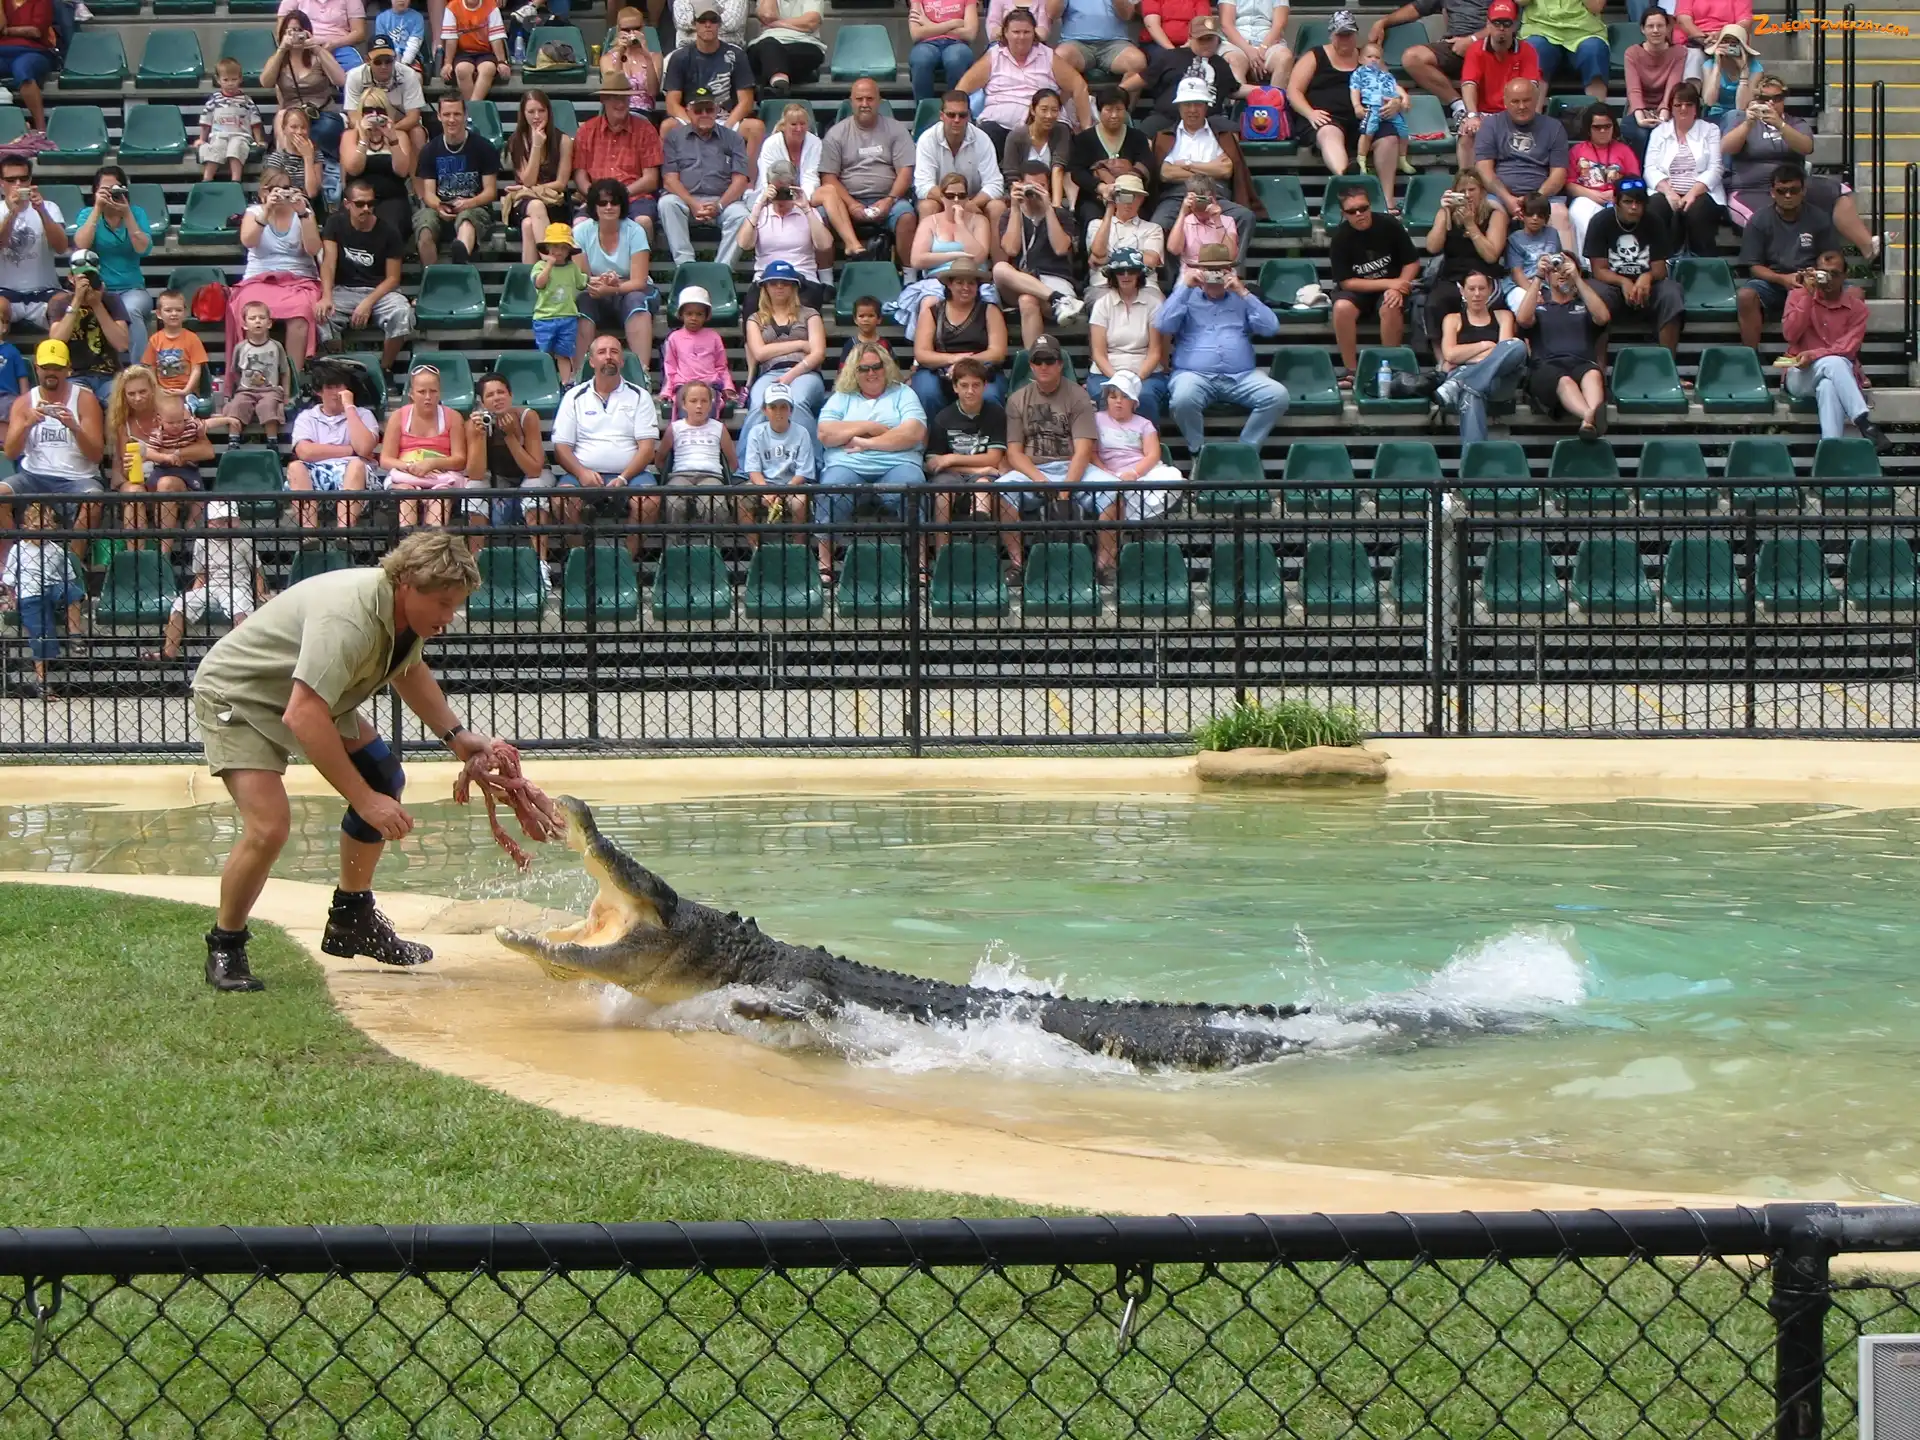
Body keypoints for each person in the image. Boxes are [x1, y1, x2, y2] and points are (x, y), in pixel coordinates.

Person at [190, 530, 497, 990]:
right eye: (443, 604)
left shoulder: (403, 613)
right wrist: (365, 802)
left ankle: (352, 919)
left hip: (304, 693)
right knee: (269, 827)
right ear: (408, 584)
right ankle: (226, 945)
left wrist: (456, 736)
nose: (448, 617)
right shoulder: (349, 617)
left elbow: (408, 669)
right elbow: (303, 714)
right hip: (240, 695)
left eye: (455, 605)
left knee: (383, 775)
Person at [1154, 242, 1288, 456]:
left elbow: (1271, 328)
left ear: (1229, 271)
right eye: (1208, 270)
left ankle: (1246, 450)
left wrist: (1243, 292)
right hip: (1195, 375)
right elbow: (1162, 325)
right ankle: (1198, 450)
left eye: (1219, 270)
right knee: (1182, 399)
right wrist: (1185, 287)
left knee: (1278, 395)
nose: (1213, 275)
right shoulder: (1186, 296)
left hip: (1241, 376)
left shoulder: (1242, 297)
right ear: (1199, 271)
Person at [1722, 77, 1878, 257]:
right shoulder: (1742, 121)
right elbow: (1726, 148)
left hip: (1794, 184)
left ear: (1784, 99)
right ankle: (1783, 265)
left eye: (1777, 98)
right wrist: (1748, 124)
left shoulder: (1795, 123)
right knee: (1763, 220)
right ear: (1756, 99)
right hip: (1751, 189)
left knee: (1839, 192)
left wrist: (1780, 125)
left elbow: (1806, 147)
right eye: (1764, 98)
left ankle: (1868, 246)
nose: (1771, 103)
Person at [814, 343, 927, 582]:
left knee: (913, 487)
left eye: (876, 367)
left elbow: (913, 433)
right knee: (830, 488)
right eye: (863, 368)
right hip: (848, 464)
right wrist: (870, 426)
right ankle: (825, 565)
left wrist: (865, 442)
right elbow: (825, 433)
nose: (871, 373)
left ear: (886, 367)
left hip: (898, 463)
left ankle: (920, 565)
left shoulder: (903, 393)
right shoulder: (842, 396)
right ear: (854, 371)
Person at [994, 332, 1101, 578]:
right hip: (1034, 469)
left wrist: (1064, 491)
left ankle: (1105, 566)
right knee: (1000, 493)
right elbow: (1014, 453)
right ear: (1031, 365)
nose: (1044, 366)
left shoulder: (1079, 395)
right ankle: (1017, 564)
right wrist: (1040, 480)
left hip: (1072, 465)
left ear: (1060, 364)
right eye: (1038, 361)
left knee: (1114, 494)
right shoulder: (1017, 399)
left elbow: (1083, 450)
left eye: (1049, 360)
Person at [0, 342, 106, 551]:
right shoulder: (24, 402)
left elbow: (96, 455)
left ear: (68, 368)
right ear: (36, 368)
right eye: (46, 367)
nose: (51, 372)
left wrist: (74, 427)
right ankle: (15, 557)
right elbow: (11, 452)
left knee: (94, 499)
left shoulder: (85, 400)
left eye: (57, 367)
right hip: (34, 475)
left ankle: (72, 563)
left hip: (78, 478)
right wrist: (27, 424)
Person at [551, 333, 662, 532]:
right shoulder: (573, 397)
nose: (609, 356)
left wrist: (624, 478)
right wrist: (581, 473)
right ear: (591, 361)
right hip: (582, 474)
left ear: (622, 360)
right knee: (561, 502)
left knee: (649, 502)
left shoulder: (640, 396)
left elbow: (647, 449)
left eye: (614, 352)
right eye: (602, 352)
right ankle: (580, 551)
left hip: (631, 476)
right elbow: (561, 448)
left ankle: (629, 552)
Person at [1781, 246, 1886, 453]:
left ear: (1845, 276)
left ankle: (1831, 452)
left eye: (1834, 274)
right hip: (1800, 373)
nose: (1828, 280)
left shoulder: (1857, 308)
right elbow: (1790, 335)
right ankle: (1864, 422)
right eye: (1823, 273)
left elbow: (1848, 348)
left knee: (1828, 385)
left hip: (1836, 371)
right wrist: (1808, 295)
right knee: (1834, 363)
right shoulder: (1797, 296)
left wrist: (1814, 354)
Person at [147, 499, 267, 661]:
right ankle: (169, 653)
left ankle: (238, 656)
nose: (226, 525)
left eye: (230, 520)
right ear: (210, 523)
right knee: (181, 603)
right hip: (211, 587)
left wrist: (260, 593)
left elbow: (257, 570)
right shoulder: (202, 542)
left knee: (241, 609)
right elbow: (201, 574)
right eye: (221, 520)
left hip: (237, 586)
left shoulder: (244, 541)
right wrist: (195, 595)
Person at [1149, 82, 1256, 260]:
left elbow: (1226, 170)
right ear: (1179, 107)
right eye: (1187, 104)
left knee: (1245, 217)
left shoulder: (1222, 135)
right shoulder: (1164, 137)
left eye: (1198, 104)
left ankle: (1231, 268)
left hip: (1215, 195)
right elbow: (1166, 173)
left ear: (1206, 106)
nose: (1192, 110)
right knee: (1158, 225)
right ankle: (1172, 275)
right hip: (1176, 197)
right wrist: (1210, 167)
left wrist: (1187, 165)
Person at [1736, 165, 1837, 351]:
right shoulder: (1759, 220)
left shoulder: (1819, 217)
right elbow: (1754, 265)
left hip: (1812, 280)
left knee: (1854, 293)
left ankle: (1842, 354)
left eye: (1794, 190)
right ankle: (1750, 356)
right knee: (1746, 296)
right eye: (1782, 191)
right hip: (1773, 283)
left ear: (1803, 191)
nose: (1788, 196)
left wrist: (1816, 274)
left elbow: (1831, 257)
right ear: (1772, 193)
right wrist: (1782, 279)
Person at [230, 169, 323, 370]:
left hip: (299, 278)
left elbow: (313, 249)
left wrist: (303, 213)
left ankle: (294, 375)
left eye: (286, 188)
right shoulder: (254, 212)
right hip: (259, 277)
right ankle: (254, 373)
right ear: (264, 192)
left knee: (301, 311)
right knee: (250, 309)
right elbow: (248, 241)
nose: (281, 193)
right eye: (275, 189)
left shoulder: (303, 212)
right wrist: (267, 211)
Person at [818, 78, 918, 264]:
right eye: (859, 99)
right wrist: (851, 204)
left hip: (889, 199)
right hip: (846, 202)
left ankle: (910, 274)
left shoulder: (897, 130)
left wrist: (889, 200)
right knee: (820, 217)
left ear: (879, 101)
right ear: (851, 102)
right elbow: (828, 178)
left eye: (870, 99)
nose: (865, 104)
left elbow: (905, 172)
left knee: (906, 216)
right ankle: (825, 277)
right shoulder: (836, 134)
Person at [960, 8, 1090, 151]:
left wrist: (1087, 131)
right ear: (1005, 33)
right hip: (998, 125)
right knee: (987, 133)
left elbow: (1079, 85)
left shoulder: (1048, 56)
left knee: (1061, 131)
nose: (1021, 37)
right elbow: (962, 89)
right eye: (1016, 32)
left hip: (1044, 123)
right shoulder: (993, 56)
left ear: (1034, 33)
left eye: (1026, 32)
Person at [320, 178, 413, 373]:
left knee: (402, 312)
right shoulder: (335, 223)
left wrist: (367, 303)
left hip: (379, 292)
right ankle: (342, 369)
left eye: (371, 203)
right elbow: (328, 263)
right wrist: (326, 296)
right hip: (344, 289)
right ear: (347, 204)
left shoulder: (389, 231)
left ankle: (384, 369)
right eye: (360, 204)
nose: (366, 208)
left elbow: (393, 278)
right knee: (321, 315)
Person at [1583, 175, 1682, 357]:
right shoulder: (1600, 222)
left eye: (1639, 202)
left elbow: (1660, 269)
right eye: (1628, 202)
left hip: (1648, 288)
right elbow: (1598, 270)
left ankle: (1668, 364)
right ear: (1615, 201)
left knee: (1672, 292)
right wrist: (1623, 282)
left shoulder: (1655, 222)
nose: (1634, 207)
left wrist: (1647, 277)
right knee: (1595, 294)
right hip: (1612, 287)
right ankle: (1598, 367)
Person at [1516, 250, 1611, 438]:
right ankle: (1591, 416)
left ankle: (1588, 423)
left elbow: (1603, 317)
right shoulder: (1540, 307)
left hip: (1582, 364)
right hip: (1547, 368)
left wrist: (1576, 278)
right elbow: (1523, 319)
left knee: (1593, 374)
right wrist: (1538, 277)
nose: (1560, 273)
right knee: (1564, 380)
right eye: (1555, 270)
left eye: (1564, 269)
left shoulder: (1585, 306)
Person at [739, 258, 827, 455]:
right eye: (773, 283)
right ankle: (744, 465)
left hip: (806, 372)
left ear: (794, 287)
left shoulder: (810, 314)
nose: (779, 287)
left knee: (798, 401)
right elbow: (759, 353)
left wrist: (792, 374)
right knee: (758, 405)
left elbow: (818, 353)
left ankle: (814, 461)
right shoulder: (755, 319)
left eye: (785, 283)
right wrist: (800, 344)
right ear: (765, 287)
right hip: (770, 373)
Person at [1329, 187, 1421, 376]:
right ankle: (1351, 371)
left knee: (1391, 305)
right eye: (1352, 211)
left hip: (1391, 286)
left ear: (1370, 206)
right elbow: (1346, 282)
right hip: (1359, 289)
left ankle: (1390, 368)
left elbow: (1412, 262)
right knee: (1341, 308)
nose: (1359, 214)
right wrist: (1390, 284)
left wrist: (1399, 286)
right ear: (1343, 214)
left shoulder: (1389, 225)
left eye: (1363, 208)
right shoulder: (1340, 238)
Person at [1476, 78, 1576, 251]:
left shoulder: (1554, 127)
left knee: (1560, 214)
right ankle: (1493, 265)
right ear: (1505, 102)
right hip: (1499, 195)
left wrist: (1534, 200)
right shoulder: (1491, 125)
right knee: (1493, 213)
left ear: (1536, 100)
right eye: (1515, 101)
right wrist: (1508, 199)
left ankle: (1568, 264)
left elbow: (1559, 174)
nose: (1521, 106)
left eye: (1526, 100)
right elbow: (1484, 169)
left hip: (1543, 195)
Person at [658, 87, 752, 268]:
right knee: (667, 203)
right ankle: (686, 266)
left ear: (717, 110)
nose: (704, 114)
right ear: (688, 111)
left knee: (742, 216)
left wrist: (719, 205)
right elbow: (669, 179)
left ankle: (721, 270)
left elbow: (740, 180)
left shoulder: (733, 138)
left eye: (709, 110)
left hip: (722, 201)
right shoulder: (674, 138)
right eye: (698, 110)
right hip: (686, 200)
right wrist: (693, 204)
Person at [1288, 11, 1383, 188]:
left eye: (1349, 35)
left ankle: (1386, 195)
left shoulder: (1366, 57)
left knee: (1388, 136)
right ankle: (1346, 177)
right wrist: (1310, 113)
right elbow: (1294, 91)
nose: (1345, 39)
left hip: (1362, 118)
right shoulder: (1315, 56)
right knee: (1329, 133)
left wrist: (1395, 102)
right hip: (1323, 117)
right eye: (1340, 35)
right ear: (1332, 35)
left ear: (1356, 35)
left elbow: (1388, 86)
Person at [923, 356, 1006, 556]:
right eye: (964, 385)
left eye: (976, 385)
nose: (970, 391)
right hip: (952, 477)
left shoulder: (995, 414)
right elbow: (933, 463)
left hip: (981, 477)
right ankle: (942, 552)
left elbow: (994, 458)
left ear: (985, 386)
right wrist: (978, 467)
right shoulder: (943, 418)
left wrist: (952, 459)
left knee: (983, 485)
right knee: (943, 492)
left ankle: (978, 534)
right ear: (955, 387)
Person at [1371, 0, 1493, 136]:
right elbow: (1416, 8)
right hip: (1454, 46)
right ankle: (1460, 107)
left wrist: (1473, 40)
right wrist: (1383, 22)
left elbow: (1505, 23)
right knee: (1412, 57)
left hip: (1490, 45)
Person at [661, 3, 765, 163]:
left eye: (713, 20)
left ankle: (748, 176)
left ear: (719, 24)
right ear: (694, 24)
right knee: (667, 127)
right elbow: (672, 104)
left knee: (756, 128)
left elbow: (746, 102)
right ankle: (670, 176)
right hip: (692, 118)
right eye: (702, 21)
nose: (708, 25)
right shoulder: (680, 57)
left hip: (726, 118)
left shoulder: (736, 54)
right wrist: (692, 125)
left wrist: (726, 128)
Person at [993, 159, 1081, 347]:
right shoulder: (1009, 214)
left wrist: (1048, 208)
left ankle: (1035, 358)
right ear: (1020, 185)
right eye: (1030, 186)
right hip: (1021, 281)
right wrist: (1016, 207)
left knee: (1027, 301)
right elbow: (1011, 249)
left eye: (1041, 186)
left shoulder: (1061, 215)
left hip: (1054, 278)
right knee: (1000, 268)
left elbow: (1060, 248)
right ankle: (1058, 299)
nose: (1034, 191)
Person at [573, 178, 660, 367]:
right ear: (594, 206)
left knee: (636, 300)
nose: (609, 207)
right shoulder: (581, 232)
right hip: (596, 289)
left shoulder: (635, 231)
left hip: (631, 289)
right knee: (582, 302)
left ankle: (642, 371)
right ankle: (578, 373)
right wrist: (602, 281)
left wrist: (614, 288)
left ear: (622, 205)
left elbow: (639, 281)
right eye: (602, 203)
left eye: (614, 202)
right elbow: (582, 278)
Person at [1433, 269, 1527, 442]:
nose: (1477, 294)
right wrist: (1486, 345)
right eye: (1471, 289)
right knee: (1471, 392)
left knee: (1517, 346)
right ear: (1462, 291)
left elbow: (1504, 353)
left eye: (1482, 288)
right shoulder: (1452, 319)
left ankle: (1460, 381)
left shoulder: (1503, 316)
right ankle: (1474, 454)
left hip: (1497, 381)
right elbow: (1450, 354)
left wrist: (1465, 357)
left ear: (1490, 290)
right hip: (1470, 381)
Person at [0, 502, 83, 698]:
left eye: (45, 527)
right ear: (26, 527)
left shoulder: (56, 550)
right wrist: (12, 597)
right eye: (36, 527)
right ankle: (41, 681)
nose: (41, 532)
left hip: (52, 588)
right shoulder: (19, 550)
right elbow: (9, 579)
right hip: (30, 594)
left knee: (73, 591)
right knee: (41, 636)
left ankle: (75, 634)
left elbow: (69, 576)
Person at [72, 168, 155, 363]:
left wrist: (126, 214)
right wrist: (97, 209)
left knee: (130, 310)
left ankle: (140, 369)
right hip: (99, 290)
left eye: (115, 188)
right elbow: (81, 245)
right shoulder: (87, 214)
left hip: (132, 289)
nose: (110, 193)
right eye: (105, 189)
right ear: (95, 191)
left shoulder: (136, 213)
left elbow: (143, 248)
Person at [286, 361, 380, 529]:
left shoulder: (364, 414)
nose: (337, 393)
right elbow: (305, 452)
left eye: (340, 387)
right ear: (319, 392)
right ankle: (309, 534)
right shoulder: (307, 417)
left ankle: (344, 533)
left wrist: (349, 407)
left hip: (357, 480)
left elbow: (364, 448)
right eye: (330, 387)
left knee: (357, 464)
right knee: (295, 467)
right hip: (316, 476)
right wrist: (351, 450)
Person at [911, 255, 1009, 415]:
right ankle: (935, 431)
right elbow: (922, 353)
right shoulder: (932, 311)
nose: (966, 287)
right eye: (959, 282)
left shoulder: (990, 310)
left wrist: (965, 363)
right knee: (927, 392)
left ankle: (989, 431)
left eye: (971, 283)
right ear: (949, 284)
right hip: (938, 369)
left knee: (990, 395)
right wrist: (954, 360)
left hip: (981, 368)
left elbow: (997, 353)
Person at [1085, 369, 1177, 538]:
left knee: (1170, 478)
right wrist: (1104, 471)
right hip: (1105, 473)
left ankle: (1148, 539)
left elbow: (1152, 455)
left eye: (1125, 397)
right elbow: (1091, 453)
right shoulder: (1095, 420)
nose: (1118, 402)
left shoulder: (1145, 424)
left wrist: (1134, 473)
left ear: (1134, 402)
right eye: (1113, 397)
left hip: (1139, 472)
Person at [1452, 0, 1542, 172]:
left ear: (1514, 25)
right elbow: (1469, 83)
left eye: (1506, 23)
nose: (1501, 28)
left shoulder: (1527, 50)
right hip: (1484, 112)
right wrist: (1472, 115)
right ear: (1488, 24)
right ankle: (1467, 180)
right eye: (1497, 23)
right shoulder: (1476, 49)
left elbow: (1532, 87)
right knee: (1467, 133)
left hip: (1514, 111)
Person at [465, 371, 549, 549]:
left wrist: (510, 436)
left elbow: (534, 470)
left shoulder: (527, 417)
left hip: (533, 474)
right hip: (498, 476)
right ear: (482, 402)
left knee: (534, 487)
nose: (497, 398)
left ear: (511, 395)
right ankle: (475, 558)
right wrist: (479, 437)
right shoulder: (475, 423)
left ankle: (540, 560)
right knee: (473, 488)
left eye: (501, 392)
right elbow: (475, 474)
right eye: (490, 395)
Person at [382, 363, 470, 528]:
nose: (428, 397)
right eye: (422, 392)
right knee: (406, 494)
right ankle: (407, 539)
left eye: (433, 391)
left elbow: (460, 460)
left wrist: (432, 463)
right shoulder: (398, 416)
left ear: (440, 393)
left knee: (441, 497)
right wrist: (410, 467)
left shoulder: (453, 417)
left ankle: (432, 539)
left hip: (441, 478)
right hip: (406, 476)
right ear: (411, 394)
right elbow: (386, 459)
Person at [417, 93, 501, 266]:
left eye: (457, 114)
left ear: (465, 115)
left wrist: (468, 203)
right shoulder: (429, 150)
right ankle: (430, 276)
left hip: (475, 206)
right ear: (439, 116)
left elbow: (490, 192)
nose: (452, 119)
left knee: (467, 220)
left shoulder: (484, 147)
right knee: (425, 227)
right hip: (440, 207)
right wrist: (439, 206)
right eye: (447, 114)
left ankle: (460, 265)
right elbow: (428, 194)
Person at [1644, 80, 1725, 257]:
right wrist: (1669, 192)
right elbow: (1649, 169)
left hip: (1701, 192)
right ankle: (1662, 259)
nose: (1683, 109)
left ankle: (1701, 261)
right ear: (1671, 108)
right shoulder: (1659, 132)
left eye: (1689, 104)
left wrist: (1692, 193)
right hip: (1666, 190)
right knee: (1655, 209)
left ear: (1696, 108)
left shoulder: (1710, 130)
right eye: (1678, 105)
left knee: (1697, 211)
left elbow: (1716, 168)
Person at [1086, 247, 1167, 420]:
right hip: (1106, 373)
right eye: (1120, 271)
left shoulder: (1154, 304)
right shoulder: (1102, 304)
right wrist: (1118, 381)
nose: (1125, 275)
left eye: (1131, 270)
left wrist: (1135, 380)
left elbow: (1155, 352)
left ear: (1139, 274)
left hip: (1146, 374)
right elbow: (1098, 354)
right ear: (1113, 275)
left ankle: (1149, 437)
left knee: (1144, 396)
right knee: (1106, 396)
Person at [571, 81, 666, 231]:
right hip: (598, 198)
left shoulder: (646, 130)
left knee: (643, 222)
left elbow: (651, 179)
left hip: (635, 197)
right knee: (580, 225)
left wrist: (620, 194)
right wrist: (596, 196)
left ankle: (643, 248)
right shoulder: (586, 130)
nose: (621, 103)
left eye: (624, 98)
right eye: (615, 98)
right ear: (603, 99)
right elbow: (580, 176)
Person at [1424, 168, 1509, 330]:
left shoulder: (1495, 214)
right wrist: (1445, 213)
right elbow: (1432, 247)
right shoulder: (1446, 213)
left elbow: (1491, 256)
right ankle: (1440, 347)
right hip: (1453, 277)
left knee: (1479, 304)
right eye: (1462, 192)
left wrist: (1471, 225)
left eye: (1472, 190)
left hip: (1483, 276)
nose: (1468, 195)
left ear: (1482, 191)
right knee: (1435, 303)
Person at [738, 162, 833, 307]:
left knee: (804, 305)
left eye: (785, 191)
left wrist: (806, 209)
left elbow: (824, 245)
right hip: (765, 278)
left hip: (802, 277)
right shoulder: (761, 214)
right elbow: (744, 244)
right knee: (752, 306)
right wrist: (759, 205)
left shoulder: (808, 213)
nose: (781, 198)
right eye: (777, 191)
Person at [914, 92, 1006, 239]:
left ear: (969, 116)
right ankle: (927, 253)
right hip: (941, 200)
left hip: (974, 199)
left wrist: (970, 204)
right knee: (927, 206)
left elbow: (994, 183)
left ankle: (995, 256)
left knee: (997, 207)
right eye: (951, 115)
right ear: (941, 116)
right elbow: (923, 185)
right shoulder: (927, 139)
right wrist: (955, 203)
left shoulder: (982, 139)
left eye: (962, 115)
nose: (956, 120)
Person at [1137, 14, 1243, 139]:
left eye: (1210, 39)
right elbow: (1139, 80)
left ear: (1217, 40)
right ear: (1190, 38)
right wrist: (1121, 90)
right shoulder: (1169, 57)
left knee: (1231, 132)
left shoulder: (1220, 63)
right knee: (1145, 133)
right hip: (1167, 117)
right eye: (1201, 39)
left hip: (1209, 118)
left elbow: (1234, 90)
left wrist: (1261, 90)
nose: (1206, 44)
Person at [1068, 87, 1156, 234]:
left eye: (1119, 109)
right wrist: (1101, 187)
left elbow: (1147, 163)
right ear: (1099, 110)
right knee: (1092, 222)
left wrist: (1126, 181)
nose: (1114, 115)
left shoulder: (1137, 137)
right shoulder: (1084, 139)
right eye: (1109, 110)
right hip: (1095, 197)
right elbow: (1077, 171)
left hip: (1131, 196)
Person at [740, 381, 814, 554]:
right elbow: (753, 470)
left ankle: (799, 549)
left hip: (793, 484)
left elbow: (803, 472)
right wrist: (766, 490)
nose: (778, 412)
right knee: (740, 499)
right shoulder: (756, 432)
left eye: (783, 407)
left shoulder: (802, 433)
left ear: (791, 410)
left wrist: (783, 492)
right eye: (773, 407)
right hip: (763, 483)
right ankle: (756, 550)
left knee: (800, 502)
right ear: (764, 410)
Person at [47, 250, 130, 406]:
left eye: (91, 276)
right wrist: (77, 301)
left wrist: (97, 305)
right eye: (82, 276)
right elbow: (56, 342)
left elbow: (122, 344)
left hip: (109, 375)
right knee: (79, 404)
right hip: (73, 375)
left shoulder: (111, 300)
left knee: (118, 403)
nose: (87, 281)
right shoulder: (60, 302)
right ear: (71, 278)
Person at [264, 12, 350, 155]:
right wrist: (281, 49)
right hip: (292, 116)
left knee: (319, 131)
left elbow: (341, 80)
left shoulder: (318, 55)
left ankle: (312, 159)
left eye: (299, 30)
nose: (295, 35)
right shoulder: (279, 60)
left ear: (307, 32)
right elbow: (266, 82)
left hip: (322, 114)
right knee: (282, 118)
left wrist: (317, 48)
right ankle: (289, 159)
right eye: (290, 31)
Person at [506, 89, 575, 262]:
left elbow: (560, 183)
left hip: (555, 201)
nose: (536, 116)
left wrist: (529, 189)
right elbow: (528, 180)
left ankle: (534, 277)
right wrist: (536, 145)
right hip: (527, 204)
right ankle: (551, 263)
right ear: (523, 114)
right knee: (536, 206)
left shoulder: (563, 141)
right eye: (531, 111)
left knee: (528, 225)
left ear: (548, 112)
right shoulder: (516, 141)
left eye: (541, 110)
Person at [0, 154, 68, 328]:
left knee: (65, 307)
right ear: (1, 183)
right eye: (11, 180)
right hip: (5, 291)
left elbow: (61, 247)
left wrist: (42, 211)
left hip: (46, 290)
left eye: (23, 179)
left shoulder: (49, 207)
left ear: (30, 180)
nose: (18, 184)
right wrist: (11, 213)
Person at [1566, 104, 1640, 255]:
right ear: (1588, 128)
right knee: (1580, 209)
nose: (1603, 131)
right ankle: (1588, 262)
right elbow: (1569, 184)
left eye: (1607, 126)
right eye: (1597, 127)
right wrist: (1593, 195)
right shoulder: (1577, 151)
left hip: (1617, 200)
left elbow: (1635, 181)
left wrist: (1616, 194)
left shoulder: (1624, 150)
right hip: (1587, 198)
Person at [659, 378, 735, 520]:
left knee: (716, 506)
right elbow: (660, 459)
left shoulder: (719, 428)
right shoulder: (675, 428)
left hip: (711, 476)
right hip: (681, 475)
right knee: (675, 504)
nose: (699, 406)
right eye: (693, 401)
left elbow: (732, 462)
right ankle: (675, 535)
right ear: (684, 404)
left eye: (704, 401)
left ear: (711, 405)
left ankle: (714, 535)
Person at [340, 105, 417, 242]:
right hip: (358, 199)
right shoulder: (350, 136)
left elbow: (402, 171)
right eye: (369, 112)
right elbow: (354, 169)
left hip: (391, 198)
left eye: (380, 112)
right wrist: (363, 139)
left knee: (390, 228)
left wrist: (392, 139)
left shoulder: (399, 135)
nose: (374, 116)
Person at [223, 302, 296, 444]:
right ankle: (233, 441)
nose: (257, 321)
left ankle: (272, 441)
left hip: (270, 390)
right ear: (244, 325)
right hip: (246, 390)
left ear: (269, 323)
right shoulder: (240, 348)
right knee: (237, 405)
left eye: (262, 318)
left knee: (268, 406)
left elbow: (285, 371)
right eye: (252, 318)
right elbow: (235, 371)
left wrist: (286, 395)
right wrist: (237, 389)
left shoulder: (276, 346)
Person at [1084, 174, 1164, 299]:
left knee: (1156, 303)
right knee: (1101, 301)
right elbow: (1098, 252)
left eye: (1134, 196)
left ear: (1141, 199)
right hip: (1104, 285)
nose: (1129, 202)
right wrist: (1110, 207)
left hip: (1144, 286)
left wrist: (1109, 257)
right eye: (1124, 196)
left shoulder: (1153, 228)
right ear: (1115, 197)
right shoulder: (1096, 224)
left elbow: (1151, 260)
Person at [662, 285, 739, 411]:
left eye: (699, 314)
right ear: (681, 314)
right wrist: (667, 391)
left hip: (709, 385)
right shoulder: (674, 338)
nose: (694, 318)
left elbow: (721, 366)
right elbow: (670, 368)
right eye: (689, 313)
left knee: (708, 404)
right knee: (686, 406)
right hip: (684, 385)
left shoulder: (714, 337)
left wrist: (728, 386)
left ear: (706, 316)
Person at [530, 222, 587, 385]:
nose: (559, 251)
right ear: (547, 247)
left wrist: (600, 280)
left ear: (569, 250)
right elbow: (539, 283)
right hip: (544, 318)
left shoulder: (572, 268)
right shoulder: (539, 266)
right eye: (555, 247)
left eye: (563, 247)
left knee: (564, 353)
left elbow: (583, 282)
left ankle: (566, 382)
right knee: (545, 353)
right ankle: (545, 382)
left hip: (568, 317)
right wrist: (549, 265)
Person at [1518, 0, 1608, 103]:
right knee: (1535, 49)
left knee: (1594, 50)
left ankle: (1597, 111)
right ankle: (1533, 112)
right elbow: (1521, 1)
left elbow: (1596, 7)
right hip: (1540, 28)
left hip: (1584, 32)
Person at [1623, 8, 1686, 154]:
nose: (1655, 30)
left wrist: (1664, 114)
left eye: (1660, 26)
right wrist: (1640, 117)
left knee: (1666, 135)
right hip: (1638, 110)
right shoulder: (1632, 53)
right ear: (1643, 29)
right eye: (1650, 26)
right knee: (1642, 134)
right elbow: (1634, 89)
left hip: (1669, 109)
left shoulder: (1679, 52)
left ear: (1668, 28)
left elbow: (1673, 86)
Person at [1351, 41, 1412, 189]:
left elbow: (1396, 87)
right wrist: (1357, 106)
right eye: (1369, 56)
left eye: (1377, 57)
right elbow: (1355, 89)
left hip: (1390, 108)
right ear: (1360, 59)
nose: (1373, 59)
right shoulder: (1359, 73)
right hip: (1372, 107)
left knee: (1403, 132)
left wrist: (1405, 98)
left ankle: (1402, 159)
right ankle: (1361, 159)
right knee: (1368, 132)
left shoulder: (1386, 75)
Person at [345, 36, 428, 139]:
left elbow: (413, 117)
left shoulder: (409, 75)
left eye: (388, 61)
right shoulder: (355, 76)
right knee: (350, 134)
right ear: (367, 60)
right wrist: (368, 129)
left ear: (395, 58)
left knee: (417, 132)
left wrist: (389, 131)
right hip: (367, 125)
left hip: (399, 123)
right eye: (378, 62)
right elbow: (353, 116)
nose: (383, 66)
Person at [199, 58, 267, 184]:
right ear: (218, 80)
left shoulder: (246, 100)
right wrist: (202, 139)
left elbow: (255, 122)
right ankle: (207, 179)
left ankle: (236, 180)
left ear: (240, 79)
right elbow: (206, 120)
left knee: (236, 147)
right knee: (215, 147)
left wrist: (259, 140)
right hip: (219, 135)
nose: (230, 83)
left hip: (240, 135)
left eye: (234, 79)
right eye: (226, 80)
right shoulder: (214, 99)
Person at [910, 173, 994, 272]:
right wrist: (954, 256)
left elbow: (979, 258)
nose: (956, 200)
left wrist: (960, 224)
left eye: (961, 196)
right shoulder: (929, 222)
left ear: (967, 198)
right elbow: (916, 261)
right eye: (950, 196)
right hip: (938, 276)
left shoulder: (979, 221)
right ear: (942, 197)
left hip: (971, 275)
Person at [1001, 88, 1070, 208]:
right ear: (1033, 110)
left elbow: (1058, 168)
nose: (1049, 115)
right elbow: (1012, 176)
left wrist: (1055, 206)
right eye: (1044, 110)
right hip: (1022, 192)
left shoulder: (1062, 131)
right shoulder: (1016, 136)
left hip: (1050, 193)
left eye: (1054, 110)